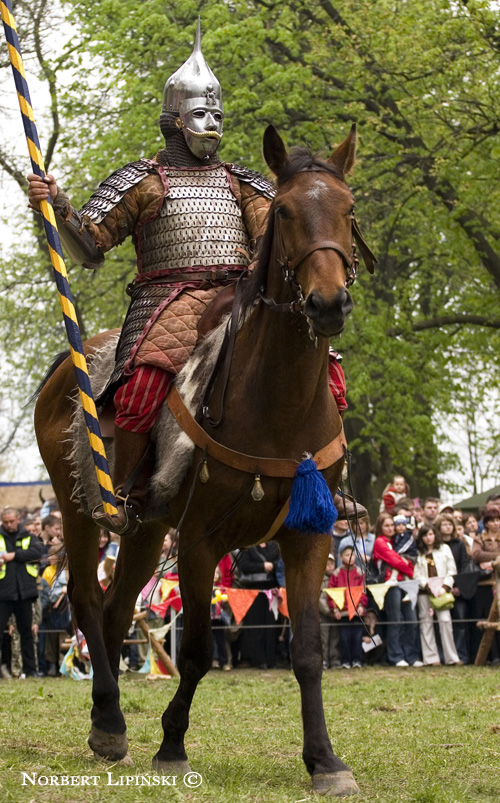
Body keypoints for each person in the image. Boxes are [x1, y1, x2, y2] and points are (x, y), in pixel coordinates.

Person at [372, 513, 422, 667]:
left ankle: (411, 656)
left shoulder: (399, 540)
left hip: (406, 583)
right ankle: (396, 656)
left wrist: (408, 567)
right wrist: (409, 570)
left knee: (411, 620)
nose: (390, 529)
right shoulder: (380, 542)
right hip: (391, 584)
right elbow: (395, 561)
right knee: (396, 619)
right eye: (386, 526)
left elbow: (411, 556)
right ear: (380, 527)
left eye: (391, 525)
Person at [0, 507, 43, 678]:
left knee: (26, 633)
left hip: (24, 593)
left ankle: (30, 670)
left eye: (12, 521)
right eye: (6, 522)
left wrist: (14, 556)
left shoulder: (28, 536)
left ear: (18, 519)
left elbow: (37, 552)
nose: (9, 525)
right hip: (3, 593)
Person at [414, 526, 461, 666]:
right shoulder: (419, 552)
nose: (428, 538)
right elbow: (416, 574)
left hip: (442, 590)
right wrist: (427, 586)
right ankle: (431, 658)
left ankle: (452, 658)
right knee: (426, 622)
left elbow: (451, 571)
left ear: (435, 535)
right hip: (425, 591)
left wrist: (445, 587)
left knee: (445, 620)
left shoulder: (444, 549)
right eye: (425, 535)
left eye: (430, 534)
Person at [435, 513, 472, 664]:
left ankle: (461, 655)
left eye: (450, 524)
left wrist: (458, 586)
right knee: (442, 623)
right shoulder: (436, 545)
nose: (448, 527)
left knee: (460, 622)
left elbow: (463, 565)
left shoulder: (459, 544)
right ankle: (443, 655)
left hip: (458, 589)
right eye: (444, 524)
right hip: (439, 589)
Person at [328, 545, 368, 668]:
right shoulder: (336, 573)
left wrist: (361, 605)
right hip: (343, 612)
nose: (350, 557)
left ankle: (357, 660)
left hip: (357, 612)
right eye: (347, 555)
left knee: (357, 637)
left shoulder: (360, 572)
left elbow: (363, 591)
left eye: (353, 555)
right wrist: (335, 609)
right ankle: (345, 661)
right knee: (344, 638)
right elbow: (332, 593)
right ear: (340, 557)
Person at [319, 553, 341, 669]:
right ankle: (324, 660)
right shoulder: (319, 580)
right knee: (324, 639)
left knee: (335, 638)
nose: (329, 566)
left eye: (331, 564)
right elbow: (319, 599)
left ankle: (335, 659)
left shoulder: (338, 577)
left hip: (336, 613)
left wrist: (337, 610)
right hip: (324, 615)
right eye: (326, 564)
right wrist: (328, 611)